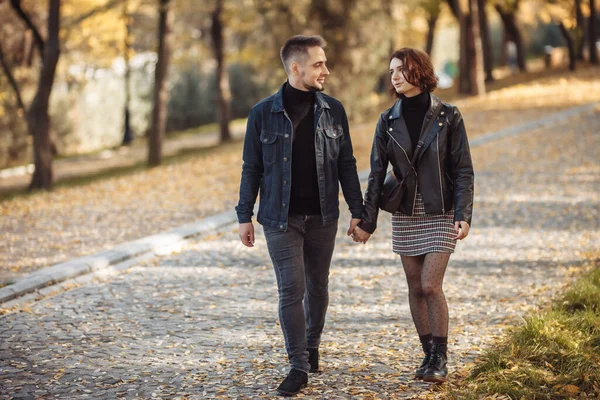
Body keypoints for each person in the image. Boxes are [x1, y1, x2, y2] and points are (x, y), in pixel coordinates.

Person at [235, 35, 363, 396]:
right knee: (292, 288)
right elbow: (251, 167)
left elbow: (347, 164)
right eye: (319, 64)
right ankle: (298, 365)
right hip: (279, 219)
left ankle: (311, 344)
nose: (326, 70)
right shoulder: (262, 114)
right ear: (296, 67)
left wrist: (359, 211)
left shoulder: (333, 110)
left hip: (323, 216)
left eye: (324, 63)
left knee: (318, 287)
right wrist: (244, 215)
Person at [352, 48, 474, 384]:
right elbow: (376, 175)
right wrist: (367, 220)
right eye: (391, 71)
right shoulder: (386, 120)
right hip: (406, 213)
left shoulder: (449, 115)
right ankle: (428, 353)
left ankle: (440, 355)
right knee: (414, 287)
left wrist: (463, 213)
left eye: (401, 69)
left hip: (440, 211)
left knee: (430, 285)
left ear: (418, 71)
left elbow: (463, 169)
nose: (395, 76)